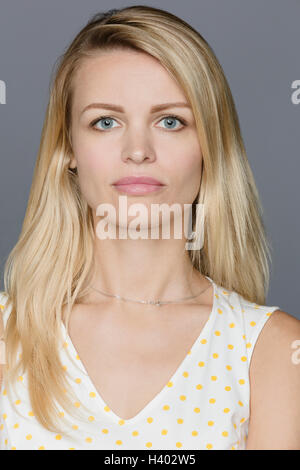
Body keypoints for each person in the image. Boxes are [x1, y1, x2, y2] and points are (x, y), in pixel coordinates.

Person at [0, 5, 299, 451]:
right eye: (106, 122)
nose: (137, 150)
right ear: (68, 149)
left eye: (170, 121)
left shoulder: (275, 352)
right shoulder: (8, 335)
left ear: (210, 147)